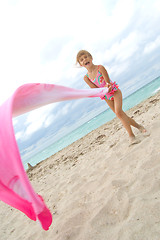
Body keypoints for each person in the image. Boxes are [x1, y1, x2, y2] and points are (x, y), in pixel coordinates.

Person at [76, 50, 148, 145]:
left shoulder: (100, 68)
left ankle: (131, 136)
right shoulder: (86, 78)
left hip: (114, 92)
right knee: (121, 115)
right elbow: (95, 90)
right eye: (81, 60)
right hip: (106, 97)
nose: (84, 59)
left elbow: (107, 82)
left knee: (118, 113)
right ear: (81, 64)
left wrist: (107, 87)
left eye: (86, 57)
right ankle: (139, 127)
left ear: (91, 58)